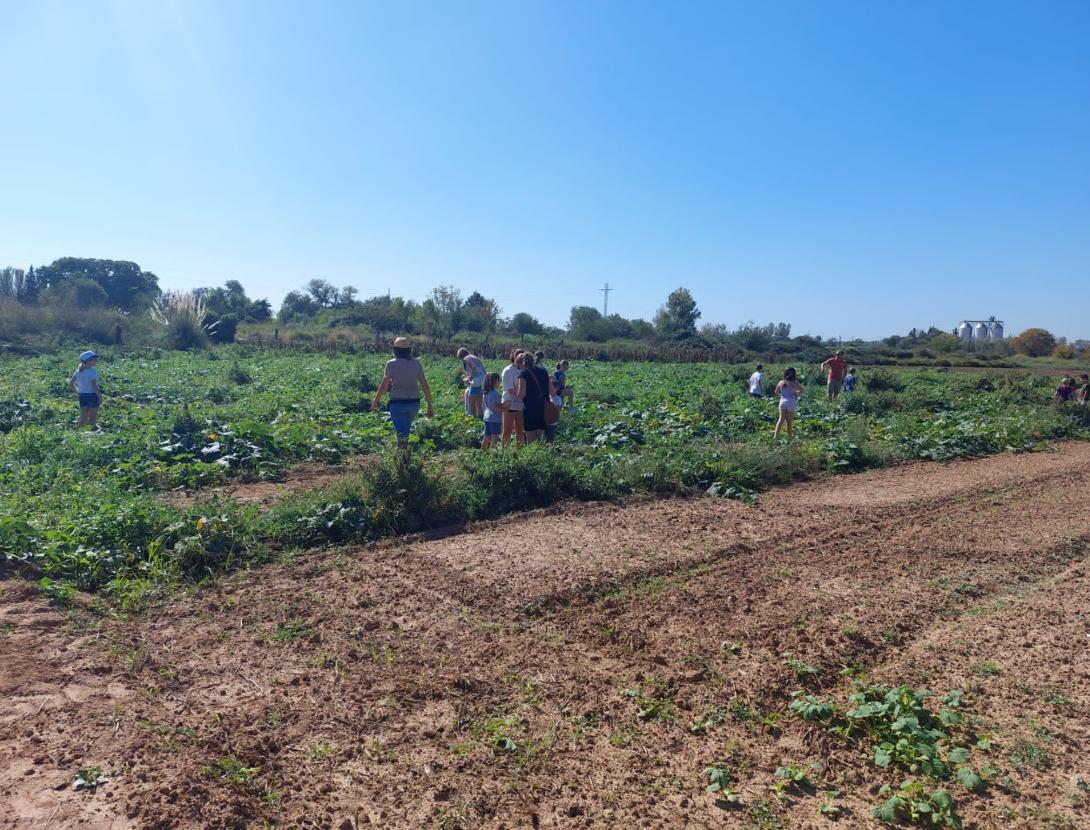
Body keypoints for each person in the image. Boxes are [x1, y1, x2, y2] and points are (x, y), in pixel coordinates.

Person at [371, 337, 434, 448]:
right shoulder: (416, 363)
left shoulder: (391, 364)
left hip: (398, 403)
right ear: (409, 350)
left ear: (395, 350)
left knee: (402, 434)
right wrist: (429, 406)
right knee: (406, 430)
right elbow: (425, 386)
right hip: (414, 403)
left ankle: (403, 457)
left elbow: (384, 386)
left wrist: (375, 401)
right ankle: (405, 455)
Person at [517, 351, 552, 444]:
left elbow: (521, 394)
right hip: (542, 406)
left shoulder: (523, 374)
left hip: (529, 407)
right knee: (541, 432)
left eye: (518, 365)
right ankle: (542, 453)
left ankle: (533, 455)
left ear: (522, 364)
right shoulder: (543, 371)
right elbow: (550, 389)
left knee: (531, 435)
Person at [69, 350, 103, 429]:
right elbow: (94, 386)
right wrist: (100, 396)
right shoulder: (92, 371)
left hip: (82, 396)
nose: (96, 361)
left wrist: (77, 392)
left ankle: (78, 433)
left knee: (83, 418)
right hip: (92, 395)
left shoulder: (78, 371)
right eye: (94, 359)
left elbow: (71, 383)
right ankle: (92, 434)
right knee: (93, 418)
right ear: (88, 361)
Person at [501, 349, 526, 445]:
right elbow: (510, 390)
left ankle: (519, 449)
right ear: (514, 357)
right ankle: (504, 451)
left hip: (521, 404)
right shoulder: (508, 371)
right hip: (509, 403)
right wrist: (522, 395)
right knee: (507, 429)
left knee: (520, 429)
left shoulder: (524, 370)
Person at [773, 367, 803, 440]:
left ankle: (776, 436)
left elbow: (776, 392)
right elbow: (802, 391)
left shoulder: (781, 382)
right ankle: (789, 437)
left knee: (781, 419)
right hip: (791, 402)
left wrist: (782, 394)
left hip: (782, 401)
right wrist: (796, 393)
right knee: (789, 421)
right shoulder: (794, 383)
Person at [457, 347, 486, 419]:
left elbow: (474, 369)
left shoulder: (466, 359)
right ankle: (480, 417)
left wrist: (470, 378)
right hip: (483, 379)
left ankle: (473, 419)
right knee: (479, 403)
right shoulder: (474, 357)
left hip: (476, 381)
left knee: (471, 403)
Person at [480, 373, 508, 449]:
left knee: (486, 437)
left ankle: (482, 452)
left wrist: (503, 404)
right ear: (495, 381)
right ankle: (493, 455)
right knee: (494, 438)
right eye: (499, 380)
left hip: (487, 417)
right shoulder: (494, 394)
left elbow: (487, 405)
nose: (500, 382)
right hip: (494, 419)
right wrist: (505, 408)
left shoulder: (486, 392)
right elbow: (495, 408)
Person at [545, 376, 562, 443]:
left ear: (557, 388)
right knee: (544, 438)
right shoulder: (546, 396)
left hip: (552, 423)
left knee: (550, 439)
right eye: (549, 388)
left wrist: (552, 403)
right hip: (544, 422)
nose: (550, 390)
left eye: (553, 388)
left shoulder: (557, 399)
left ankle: (550, 449)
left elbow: (557, 411)